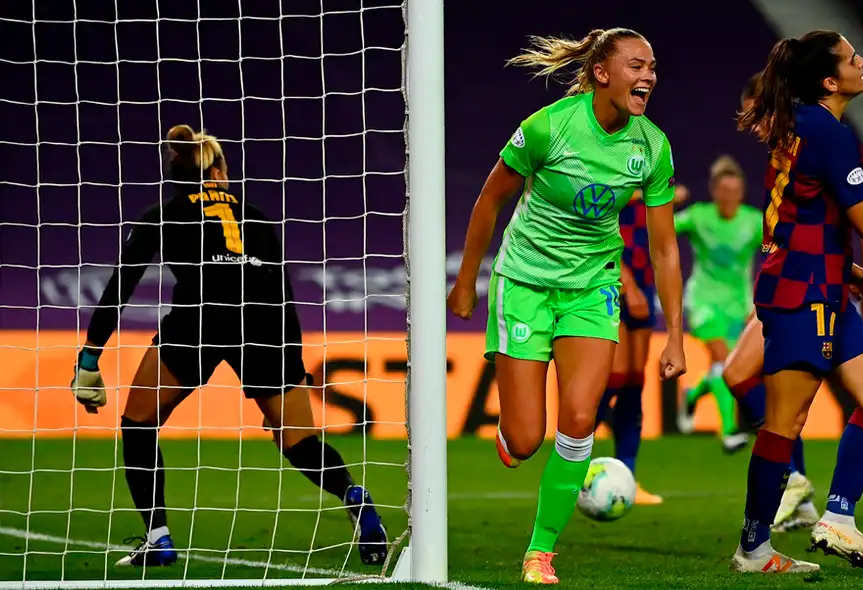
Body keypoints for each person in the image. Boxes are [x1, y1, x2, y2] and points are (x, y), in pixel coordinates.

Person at [69, 125, 389, 568]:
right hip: (265, 327)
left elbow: (120, 286)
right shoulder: (255, 216)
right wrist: (292, 367)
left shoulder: (162, 215)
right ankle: (353, 493)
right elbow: (284, 296)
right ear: (217, 171)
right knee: (298, 441)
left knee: (138, 424)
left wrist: (90, 356)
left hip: (199, 321)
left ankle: (158, 537)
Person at [447, 28, 686, 584]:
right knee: (526, 439)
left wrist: (675, 333)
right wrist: (466, 281)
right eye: (636, 65)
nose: (648, 76)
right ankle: (512, 434)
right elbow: (490, 198)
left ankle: (540, 551)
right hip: (524, 283)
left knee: (579, 420)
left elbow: (665, 247)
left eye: (652, 66)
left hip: (592, 288)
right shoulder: (548, 127)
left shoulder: (652, 147)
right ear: (602, 73)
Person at [729, 31, 863, 574]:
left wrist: (846, 268)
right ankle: (753, 548)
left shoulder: (801, 124)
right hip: (804, 292)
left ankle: (838, 517)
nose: (861, 61)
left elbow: (800, 214)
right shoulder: (826, 131)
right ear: (829, 80)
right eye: (850, 58)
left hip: (823, 284)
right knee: (784, 422)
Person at [722, 71, 863, 535]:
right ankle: (798, 487)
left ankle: (810, 501)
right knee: (742, 377)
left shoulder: (818, 142)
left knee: (828, 405)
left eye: (759, 114)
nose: (756, 126)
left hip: (815, 290)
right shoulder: (784, 153)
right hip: (794, 283)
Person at [595, 182, 689, 506]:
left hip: (644, 282)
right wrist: (629, 285)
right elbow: (601, 234)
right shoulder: (611, 186)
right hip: (608, 280)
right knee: (615, 375)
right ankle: (571, 463)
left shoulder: (648, 189)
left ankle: (627, 476)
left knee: (634, 381)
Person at [671, 155, 762, 454]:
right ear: (713, 191)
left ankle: (693, 395)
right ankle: (729, 431)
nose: (728, 197)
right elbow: (661, 226)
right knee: (723, 359)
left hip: (738, 306)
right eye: (723, 190)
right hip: (703, 301)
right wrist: (667, 201)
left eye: (734, 191)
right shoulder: (699, 216)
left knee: (729, 368)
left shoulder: (753, 221)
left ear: (742, 192)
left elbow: (781, 248)